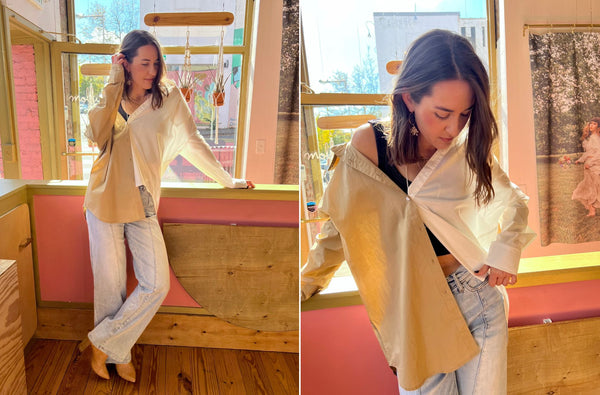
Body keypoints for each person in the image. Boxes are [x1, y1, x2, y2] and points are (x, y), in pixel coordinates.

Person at [301, 30, 535, 394]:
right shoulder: (371, 145)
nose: (453, 127)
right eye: (442, 113)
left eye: (465, 114)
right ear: (409, 98)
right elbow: (343, 224)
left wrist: (507, 249)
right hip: (414, 308)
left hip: (475, 295)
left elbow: (515, 200)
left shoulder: (465, 146)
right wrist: (307, 282)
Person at [84, 29, 254, 382]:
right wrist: (113, 83)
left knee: (157, 283)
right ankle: (119, 354)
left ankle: (103, 345)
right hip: (103, 199)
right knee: (109, 286)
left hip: (142, 201)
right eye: (143, 63)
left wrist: (228, 180)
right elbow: (96, 136)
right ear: (125, 63)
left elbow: (193, 142)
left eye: (156, 62)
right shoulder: (109, 97)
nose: (152, 70)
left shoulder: (169, 98)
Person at [572, 118, 600, 216]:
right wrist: (580, 160)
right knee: (589, 187)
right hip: (588, 165)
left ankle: (592, 210)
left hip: (593, 166)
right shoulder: (591, 138)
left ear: (598, 126)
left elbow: (598, 153)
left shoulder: (595, 138)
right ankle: (592, 210)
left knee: (594, 187)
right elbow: (588, 153)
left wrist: (591, 163)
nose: (591, 126)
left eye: (594, 124)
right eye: (590, 124)